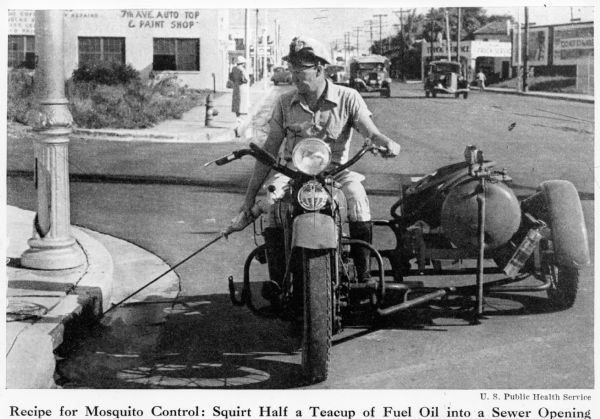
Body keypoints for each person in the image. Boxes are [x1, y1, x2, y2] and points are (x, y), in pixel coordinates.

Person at [225, 36, 401, 300]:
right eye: (292, 69)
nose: (294, 76)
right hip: (291, 174)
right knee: (272, 209)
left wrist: (385, 142)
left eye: (301, 70)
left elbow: (370, 131)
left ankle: (363, 279)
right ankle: (278, 283)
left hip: (336, 172)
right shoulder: (285, 103)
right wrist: (249, 198)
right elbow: (269, 149)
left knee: (358, 200)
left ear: (320, 68)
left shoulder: (348, 97)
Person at [230, 55, 250, 137]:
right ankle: (239, 131)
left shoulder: (233, 69)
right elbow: (245, 79)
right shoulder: (242, 70)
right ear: (243, 63)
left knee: (238, 112)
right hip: (242, 91)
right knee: (243, 114)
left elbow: (231, 78)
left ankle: (238, 128)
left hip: (236, 90)